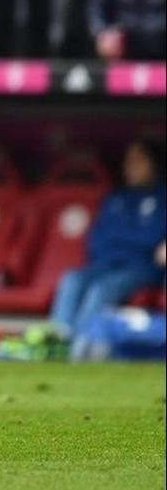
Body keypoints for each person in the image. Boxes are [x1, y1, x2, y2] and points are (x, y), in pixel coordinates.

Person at [49, 138, 166, 349]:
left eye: (138, 161)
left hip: (142, 268)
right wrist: (131, 241)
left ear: (155, 164)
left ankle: (79, 348)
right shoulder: (115, 197)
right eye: (128, 161)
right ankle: (56, 342)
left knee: (100, 289)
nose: (130, 167)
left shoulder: (162, 197)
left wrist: (129, 242)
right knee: (71, 279)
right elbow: (96, 241)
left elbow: (152, 240)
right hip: (105, 265)